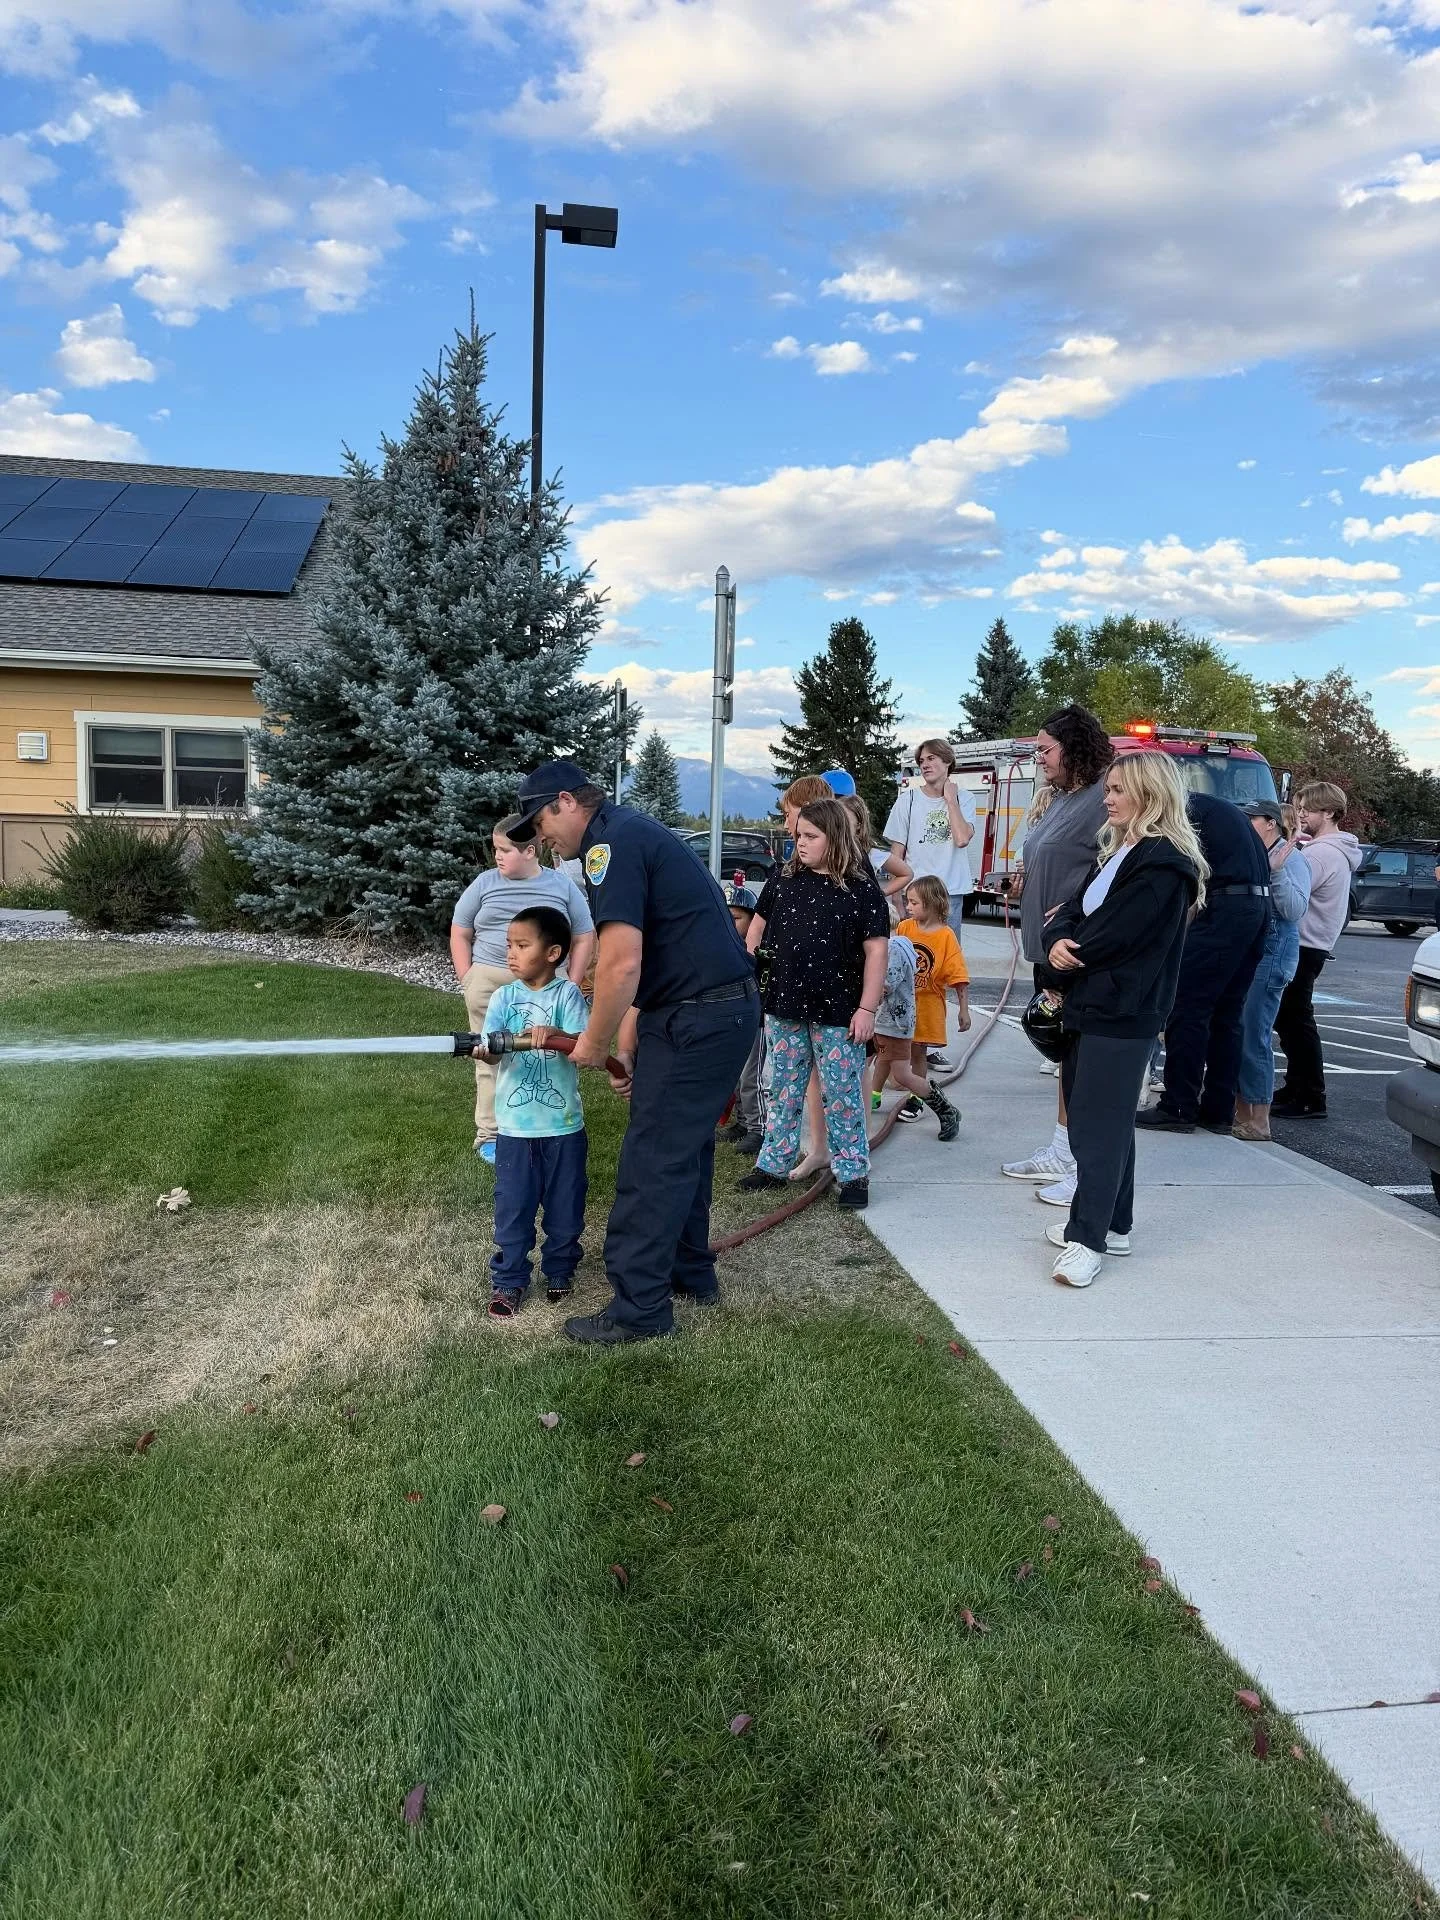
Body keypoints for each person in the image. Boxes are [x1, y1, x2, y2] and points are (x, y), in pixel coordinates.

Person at [499, 761, 759, 1344]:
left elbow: (621, 961)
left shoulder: (607, 846)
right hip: (709, 1011)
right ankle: (690, 1272)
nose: (541, 838)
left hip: (701, 1016)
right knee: (682, 1150)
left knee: (652, 1159)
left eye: (539, 822)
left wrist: (590, 1042)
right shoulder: (629, 831)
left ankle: (639, 1306)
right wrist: (627, 1040)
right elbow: (657, 955)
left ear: (567, 801)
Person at [1039, 751, 1207, 1289]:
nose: (1106, 798)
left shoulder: (1164, 864)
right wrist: (1055, 939)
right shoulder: (1120, 850)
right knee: (1106, 1123)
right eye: (1108, 788)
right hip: (1092, 1005)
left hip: (1123, 1010)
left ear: (1149, 795)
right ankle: (1115, 1225)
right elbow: (1067, 911)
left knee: (1095, 1128)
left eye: (1117, 790)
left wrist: (1063, 954)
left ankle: (1085, 1238)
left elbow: (1114, 935)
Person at [739, 798, 890, 1209]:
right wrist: (751, 965)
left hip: (840, 1010)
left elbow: (877, 952)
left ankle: (853, 1172)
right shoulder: (783, 880)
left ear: (835, 838)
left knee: (841, 1093)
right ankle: (774, 1162)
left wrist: (867, 1009)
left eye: (810, 836)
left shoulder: (861, 890)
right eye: (797, 836)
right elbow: (757, 927)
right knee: (783, 1086)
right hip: (785, 1003)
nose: (799, 844)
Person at [1001, 704, 1113, 1205]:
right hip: (1048, 948)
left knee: (1083, 1054)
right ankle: (1063, 1148)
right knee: (1065, 1052)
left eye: (1045, 749)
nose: (1039, 758)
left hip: (1076, 949)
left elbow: (1113, 870)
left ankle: (1084, 1163)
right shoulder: (1067, 797)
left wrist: (1073, 914)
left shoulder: (1103, 797)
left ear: (1075, 747)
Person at [451, 825, 595, 1165]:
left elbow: (585, 934)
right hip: (490, 983)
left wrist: (571, 982)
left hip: (545, 986)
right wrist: (468, 977)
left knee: (545, 1052)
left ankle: (545, 1120)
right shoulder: (485, 883)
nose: (497, 855)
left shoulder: (559, 884)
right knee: (490, 1055)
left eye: (505, 849)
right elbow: (461, 930)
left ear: (530, 851)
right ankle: (490, 1135)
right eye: (495, 848)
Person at [1137, 790, 1270, 1134]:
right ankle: (1218, 1110)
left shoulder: (1183, 812)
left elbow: (1176, 873)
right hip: (1254, 908)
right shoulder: (1219, 809)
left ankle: (1178, 1107)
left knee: (1187, 1009)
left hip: (1225, 910)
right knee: (1227, 1014)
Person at [481, 907, 591, 1318]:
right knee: (513, 1207)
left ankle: (560, 1269)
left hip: (563, 1128)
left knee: (565, 1206)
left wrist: (556, 1035)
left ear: (553, 952)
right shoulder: (502, 998)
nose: (511, 953)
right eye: (509, 944)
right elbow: (491, 1055)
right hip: (514, 1128)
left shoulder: (566, 995)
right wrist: (486, 1051)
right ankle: (509, 1280)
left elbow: (582, 1048)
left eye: (522, 945)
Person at [1272, 782, 1364, 1119]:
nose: (1301, 815)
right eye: (1299, 808)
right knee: (1293, 1019)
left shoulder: (1321, 853)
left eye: (1308, 809)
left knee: (1295, 1021)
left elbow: (1292, 894)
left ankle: (1309, 1095)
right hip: (1315, 944)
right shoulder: (1333, 850)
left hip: (1304, 943)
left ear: (1330, 813)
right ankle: (1298, 1087)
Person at [1233, 801, 1311, 1141]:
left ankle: (1259, 1119)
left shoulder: (1291, 858)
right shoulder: (1253, 853)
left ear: (1271, 824)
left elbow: (1295, 910)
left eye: (1252, 817)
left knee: (1254, 1033)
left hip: (1273, 954)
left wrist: (1276, 871)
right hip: (1250, 952)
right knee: (1238, 1030)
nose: (1246, 822)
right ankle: (1241, 1113)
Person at [885, 875, 966, 1137]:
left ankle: (924, 1101)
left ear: (932, 904)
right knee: (888, 1056)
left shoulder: (945, 936)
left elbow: (958, 975)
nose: (908, 907)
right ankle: (874, 1094)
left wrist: (963, 1009)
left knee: (914, 1057)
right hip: (895, 1006)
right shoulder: (906, 928)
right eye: (907, 901)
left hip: (923, 1007)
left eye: (914, 902)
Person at [883, 738, 977, 942]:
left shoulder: (965, 798)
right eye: (921, 761)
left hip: (950, 894)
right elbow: (896, 854)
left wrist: (950, 800)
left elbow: (961, 839)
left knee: (946, 961)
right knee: (914, 958)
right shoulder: (907, 800)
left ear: (947, 761)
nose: (925, 764)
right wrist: (897, 899)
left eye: (931, 758)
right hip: (915, 894)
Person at [720, 885, 765, 1155]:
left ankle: (759, 1128)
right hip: (733, 1021)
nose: (730, 923)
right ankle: (743, 1121)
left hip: (757, 1022)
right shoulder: (724, 947)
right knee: (736, 1076)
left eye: (736, 918)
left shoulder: (760, 952)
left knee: (751, 1077)